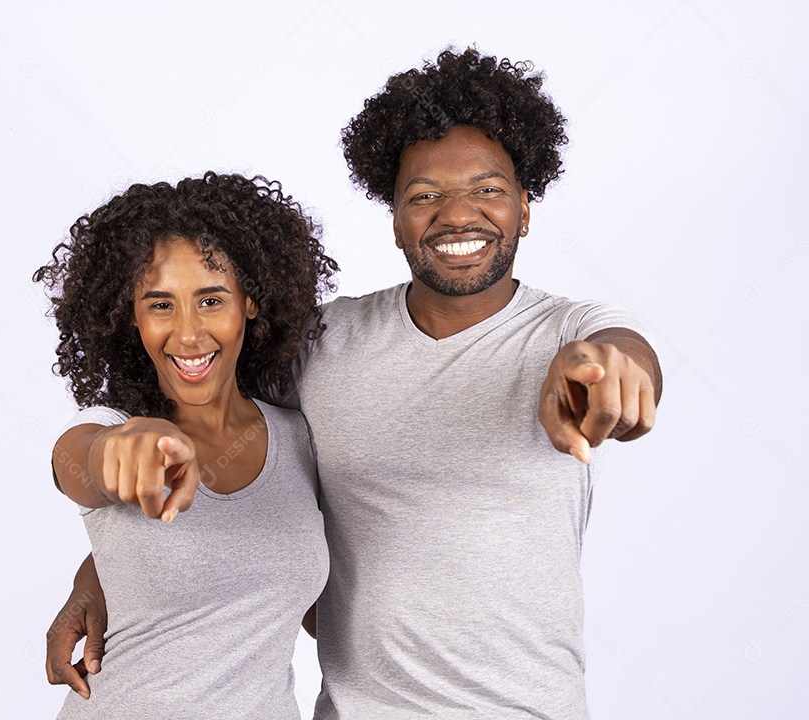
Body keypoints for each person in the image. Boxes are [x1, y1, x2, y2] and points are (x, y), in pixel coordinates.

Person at [47, 48, 663, 719]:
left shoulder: (571, 332)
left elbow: (624, 359)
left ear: (525, 207)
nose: (459, 214)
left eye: (488, 190)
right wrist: (104, 572)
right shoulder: (323, 346)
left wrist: (610, 379)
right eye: (425, 196)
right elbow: (174, 420)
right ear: (394, 219)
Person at [34, 172, 339, 718]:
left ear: (250, 301)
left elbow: (314, 612)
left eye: (210, 299)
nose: (189, 333)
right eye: (160, 304)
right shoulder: (113, 427)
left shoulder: (298, 439)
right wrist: (123, 450)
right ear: (131, 314)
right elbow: (79, 464)